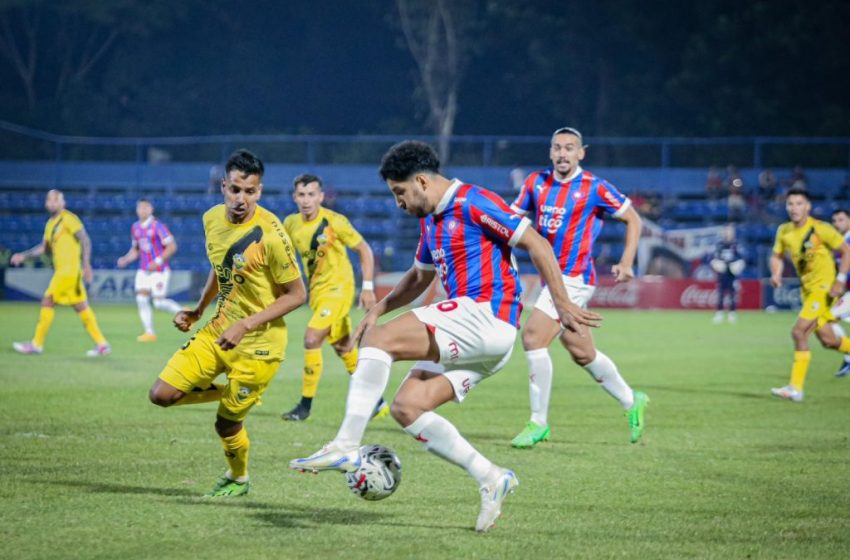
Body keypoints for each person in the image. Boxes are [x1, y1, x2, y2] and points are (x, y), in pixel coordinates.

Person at [289, 140, 600, 532]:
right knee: (408, 407)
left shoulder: (472, 200)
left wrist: (562, 302)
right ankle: (491, 477)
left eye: (400, 192)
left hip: (486, 315)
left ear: (420, 181)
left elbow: (536, 242)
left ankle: (346, 445)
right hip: (482, 342)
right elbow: (420, 276)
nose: (398, 203)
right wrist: (378, 308)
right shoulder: (431, 219)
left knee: (380, 342)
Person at [148, 150, 306, 496]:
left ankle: (239, 478)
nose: (241, 199)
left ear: (259, 192)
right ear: (223, 187)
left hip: (260, 346)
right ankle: (238, 395)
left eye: (250, 192)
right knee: (161, 395)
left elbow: (296, 295)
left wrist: (246, 325)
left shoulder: (271, 233)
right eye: (235, 189)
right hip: (219, 328)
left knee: (226, 423)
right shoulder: (211, 220)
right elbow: (222, 268)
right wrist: (199, 309)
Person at [508, 126, 648, 449]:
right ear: (550, 152)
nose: (562, 153)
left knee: (532, 337)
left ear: (581, 153)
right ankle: (632, 400)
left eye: (570, 148)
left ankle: (538, 423)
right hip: (549, 277)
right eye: (557, 147)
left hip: (575, 278)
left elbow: (634, 220)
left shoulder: (594, 187)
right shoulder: (535, 183)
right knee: (582, 352)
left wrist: (627, 262)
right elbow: (510, 221)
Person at [280, 173, 389, 421]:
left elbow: (364, 250)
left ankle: (305, 406)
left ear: (320, 196)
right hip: (318, 293)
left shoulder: (334, 221)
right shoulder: (290, 223)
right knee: (343, 347)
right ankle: (377, 402)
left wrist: (368, 286)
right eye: (301, 195)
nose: (306, 200)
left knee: (311, 338)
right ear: (294, 197)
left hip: (340, 289)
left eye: (311, 195)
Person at [769, 188, 850, 402]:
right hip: (807, 290)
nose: (794, 208)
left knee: (798, 332)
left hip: (823, 289)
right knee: (829, 340)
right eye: (790, 204)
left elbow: (846, 251)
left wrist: (840, 280)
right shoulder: (784, 230)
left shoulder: (820, 229)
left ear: (808, 207)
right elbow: (776, 255)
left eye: (798, 204)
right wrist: (776, 273)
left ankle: (796, 388)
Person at [11, 190, 110, 356]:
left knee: (47, 300)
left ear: (62, 203)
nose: (52, 202)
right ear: (46, 203)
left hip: (69, 271)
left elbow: (85, 239)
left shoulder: (69, 219)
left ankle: (37, 344)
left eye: (56, 199)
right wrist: (23, 255)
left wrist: (86, 264)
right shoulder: (50, 224)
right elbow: (43, 248)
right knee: (81, 306)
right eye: (49, 199)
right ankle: (102, 344)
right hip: (65, 272)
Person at [116, 198, 183, 342]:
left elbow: (172, 246)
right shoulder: (135, 227)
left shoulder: (158, 226)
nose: (142, 210)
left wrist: (157, 260)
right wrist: (126, 259)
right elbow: (136, 250)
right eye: (140, 208)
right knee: (141, 299)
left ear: (151, 209)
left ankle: (183, 312)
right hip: (143, 270)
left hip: (159, 270)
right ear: (137, 210)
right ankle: (149, 332)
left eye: (146, 208)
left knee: (158, 303)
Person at [828, 208, 850, 377]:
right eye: (834, 220)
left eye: (841, 220)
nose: (837, 223)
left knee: (828, 318)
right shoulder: (840, 241)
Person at [710, 225, 746, 324]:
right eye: (726, 231)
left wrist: (737, 264)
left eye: (729, 231)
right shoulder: (719, 244)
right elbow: (714, 257)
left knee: (732, 293)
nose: (727, 233)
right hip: (722, 272)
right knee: (721, 293)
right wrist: (717, 264)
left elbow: (741, 257)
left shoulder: (736, 244)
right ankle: (719, 313)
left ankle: (732, 313)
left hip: (732, 272)